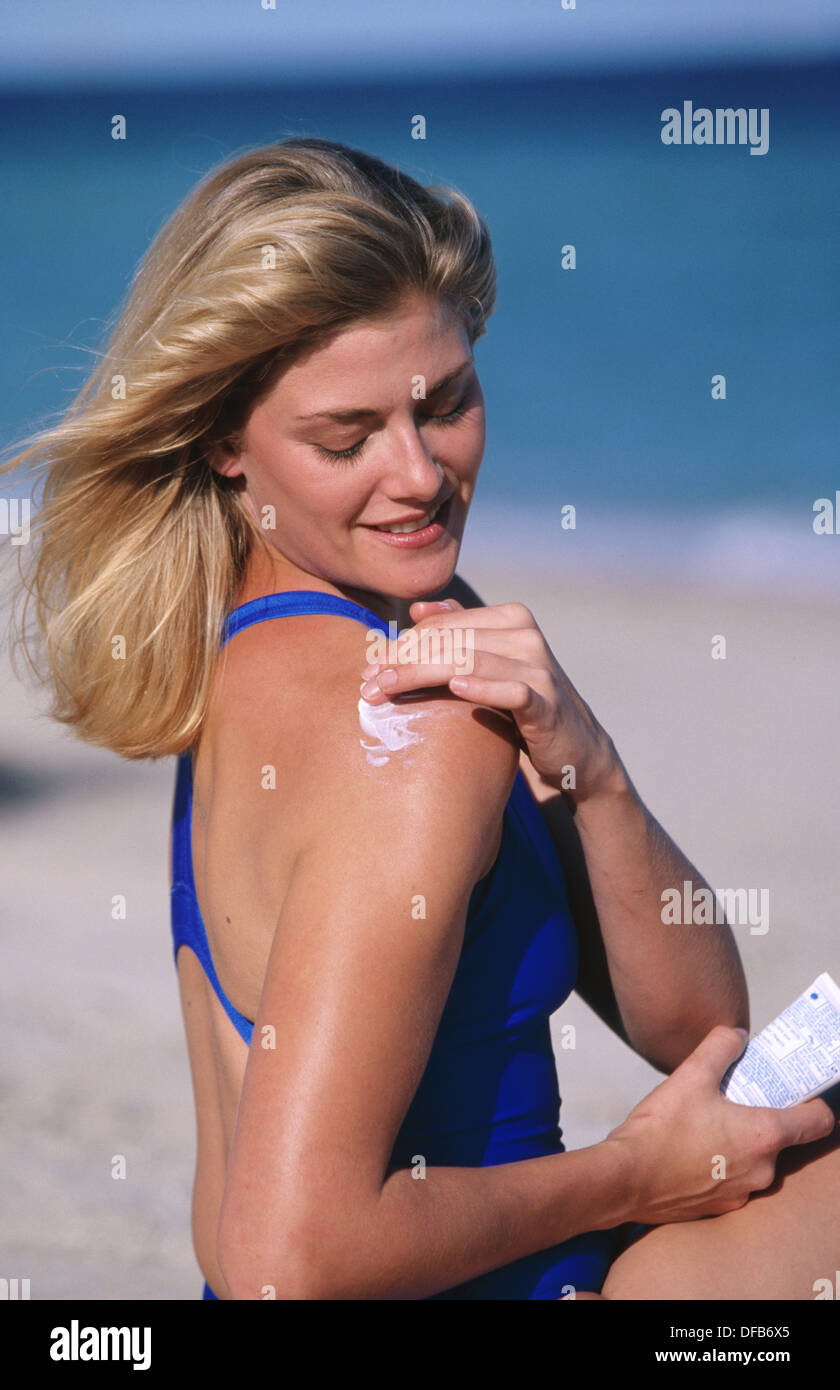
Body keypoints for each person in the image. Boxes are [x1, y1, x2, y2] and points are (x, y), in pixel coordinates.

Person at [4, 137, 838, 1301]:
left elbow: (701, 1031)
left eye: (445, 404)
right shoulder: (408, 726)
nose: (419, 475)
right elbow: (283, 1262)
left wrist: (592, 770)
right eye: (346, 439)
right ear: (225, 445)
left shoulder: (281, 659)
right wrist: (636, 1169)